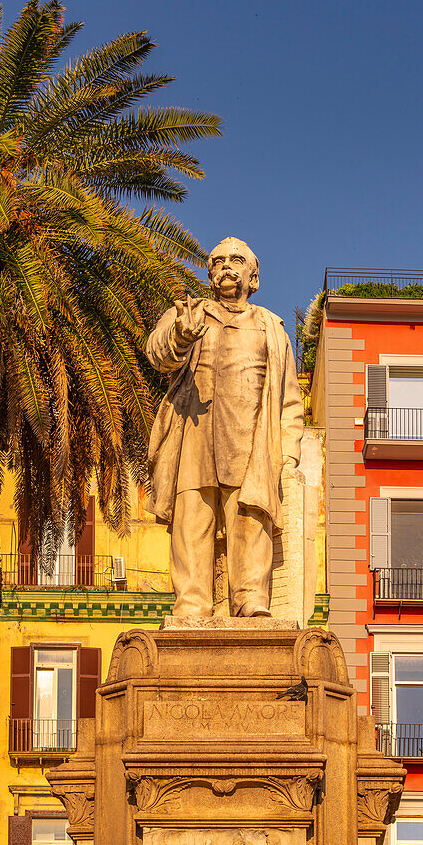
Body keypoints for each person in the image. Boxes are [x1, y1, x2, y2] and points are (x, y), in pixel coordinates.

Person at [146, 237, 304, 617]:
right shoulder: (188, 314)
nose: (226, 267)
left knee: (250, 519)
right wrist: (180, 337)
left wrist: (290, 455)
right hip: (195, 437)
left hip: (251, 440)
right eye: (217, 262)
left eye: (236, 260)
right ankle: (192, 605)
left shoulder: (272, 328)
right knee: (191, 519)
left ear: (255, 276)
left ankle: (251, 600)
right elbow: (156, 352)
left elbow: (289, 400)